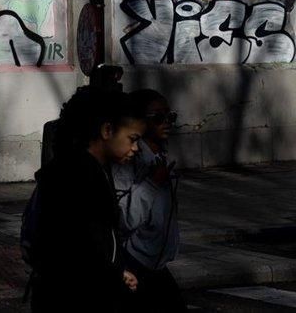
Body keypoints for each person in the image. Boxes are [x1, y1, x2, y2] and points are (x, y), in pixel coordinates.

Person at [28, 86, 145, 311]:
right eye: (132, 139)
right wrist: (113, 277)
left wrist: (117, 271)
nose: (136, 148)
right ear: (107, 130)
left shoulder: (90, 168)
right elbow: (83, 250)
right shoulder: (81, 176)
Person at [112, 90, 185, 312]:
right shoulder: (128, 161)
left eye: (170, 116)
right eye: (158, 117)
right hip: (134, 261)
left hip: (154, 262)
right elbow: (122, 219)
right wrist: (152, 184)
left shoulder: (160, 157)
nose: (166, 122)